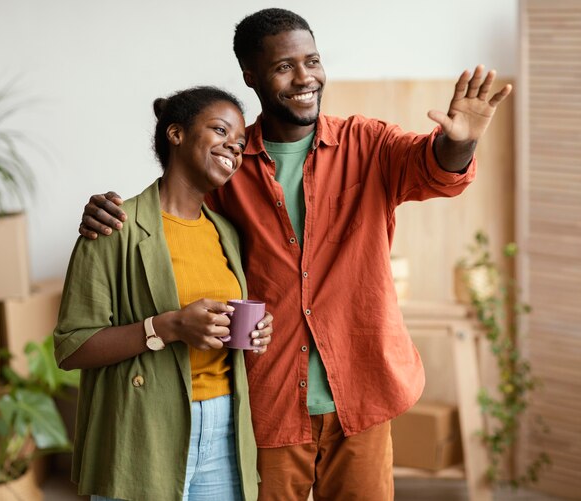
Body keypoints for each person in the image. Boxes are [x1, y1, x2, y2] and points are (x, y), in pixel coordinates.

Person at [77, 8, 512, 501]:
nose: (305, 77)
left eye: (313, 61)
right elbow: (169, 211)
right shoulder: (229, 167)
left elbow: (435, 169)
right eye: (285, 66)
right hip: (270, 400)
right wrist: (105, 210)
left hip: (362, 392)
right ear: (251, 76)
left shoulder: (366, 143)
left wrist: (462, 143)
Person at [54, 86, 273, 501]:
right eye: (220, 130)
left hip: (225, 426)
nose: (234, 147)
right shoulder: (115, 226)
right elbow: (71, 347)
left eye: (240, 143)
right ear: (176, 134)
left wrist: (258, 332)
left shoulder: (225, 231)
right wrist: (166, 327)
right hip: (143, 425)